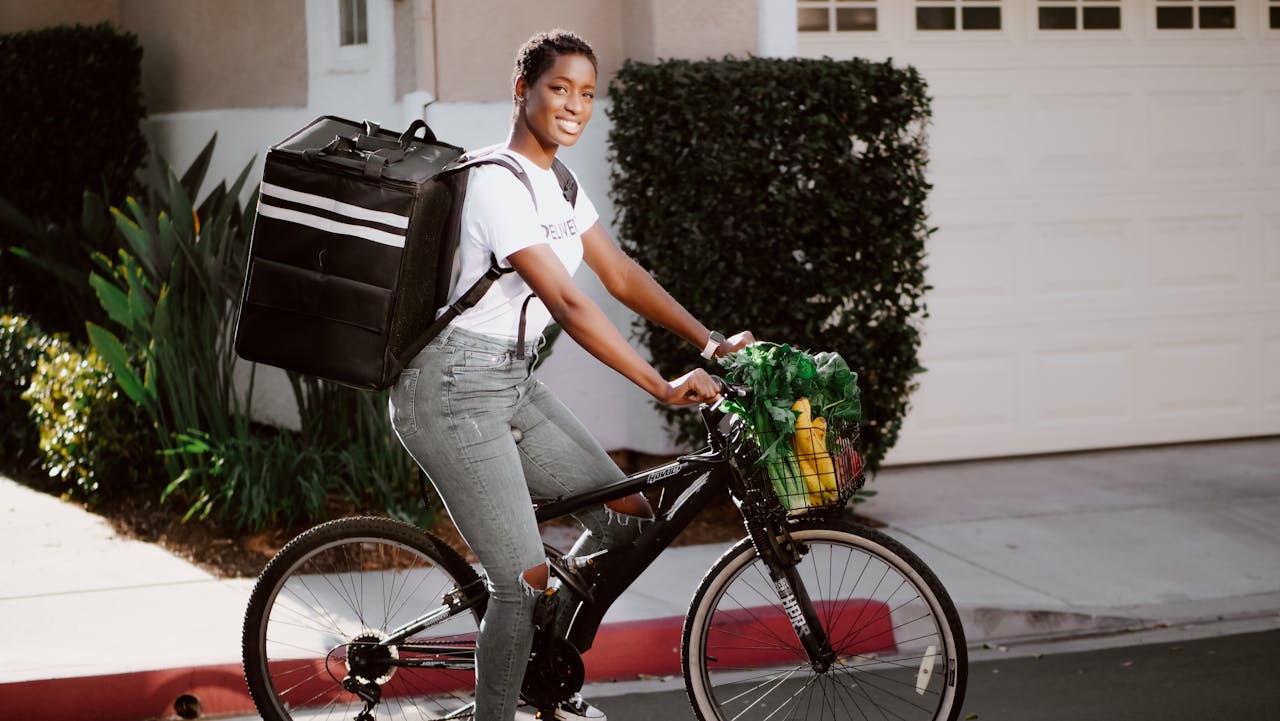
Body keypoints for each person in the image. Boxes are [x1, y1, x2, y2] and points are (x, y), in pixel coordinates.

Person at [389, 29, 753, 721]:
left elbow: (618, 275)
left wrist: (709, 342)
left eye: (588, 93)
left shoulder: (558, 182)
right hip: (450, 389)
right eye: (560, 88)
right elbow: (569, 300)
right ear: (522, 90)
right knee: (518, 585)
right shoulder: (496, 182)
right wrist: (661, 385)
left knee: (626, 520)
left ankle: (540, 667)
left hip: (510, 380)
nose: (576, 105)